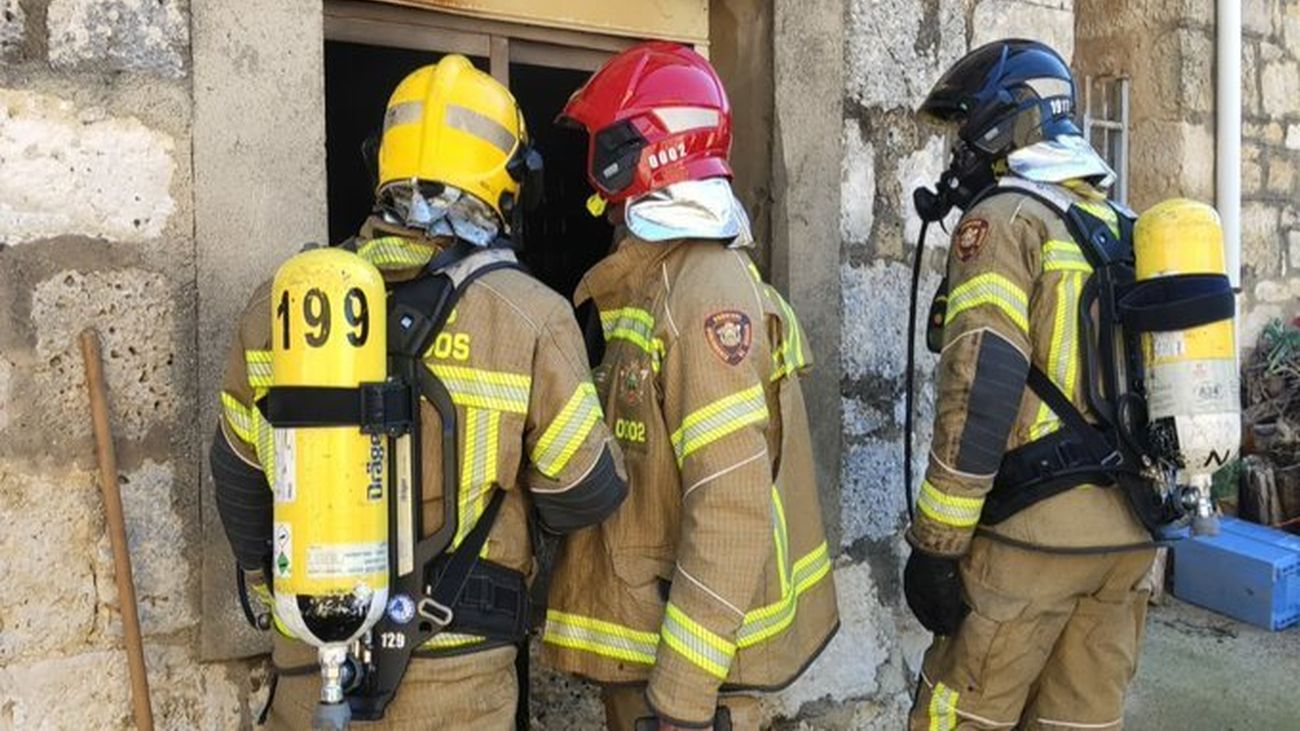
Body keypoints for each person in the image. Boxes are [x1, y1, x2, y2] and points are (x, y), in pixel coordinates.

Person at [209, 54, 626, 729]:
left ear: (382, 164)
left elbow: (236, 472)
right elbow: (583, 491)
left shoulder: (278, 306)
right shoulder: (530, 316)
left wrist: (279, 592)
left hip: (312, 669)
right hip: (459, 683)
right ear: (514, 184)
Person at [540, 42, 839, 731]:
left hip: (691, 683)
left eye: (602, 144)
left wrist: (679, 703)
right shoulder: (660, 281)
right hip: (656, 653)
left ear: (640, 149)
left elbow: (731, 508)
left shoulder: (705, 293)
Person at [904, 40, 1159, 730]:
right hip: (1129, 539)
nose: (959, 149)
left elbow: (978, 395)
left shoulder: (1005, 220)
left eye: (964, 130)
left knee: (956, 717)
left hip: (1030, 545)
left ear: (999, 123)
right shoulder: (1123, 224)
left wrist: (936, 546)